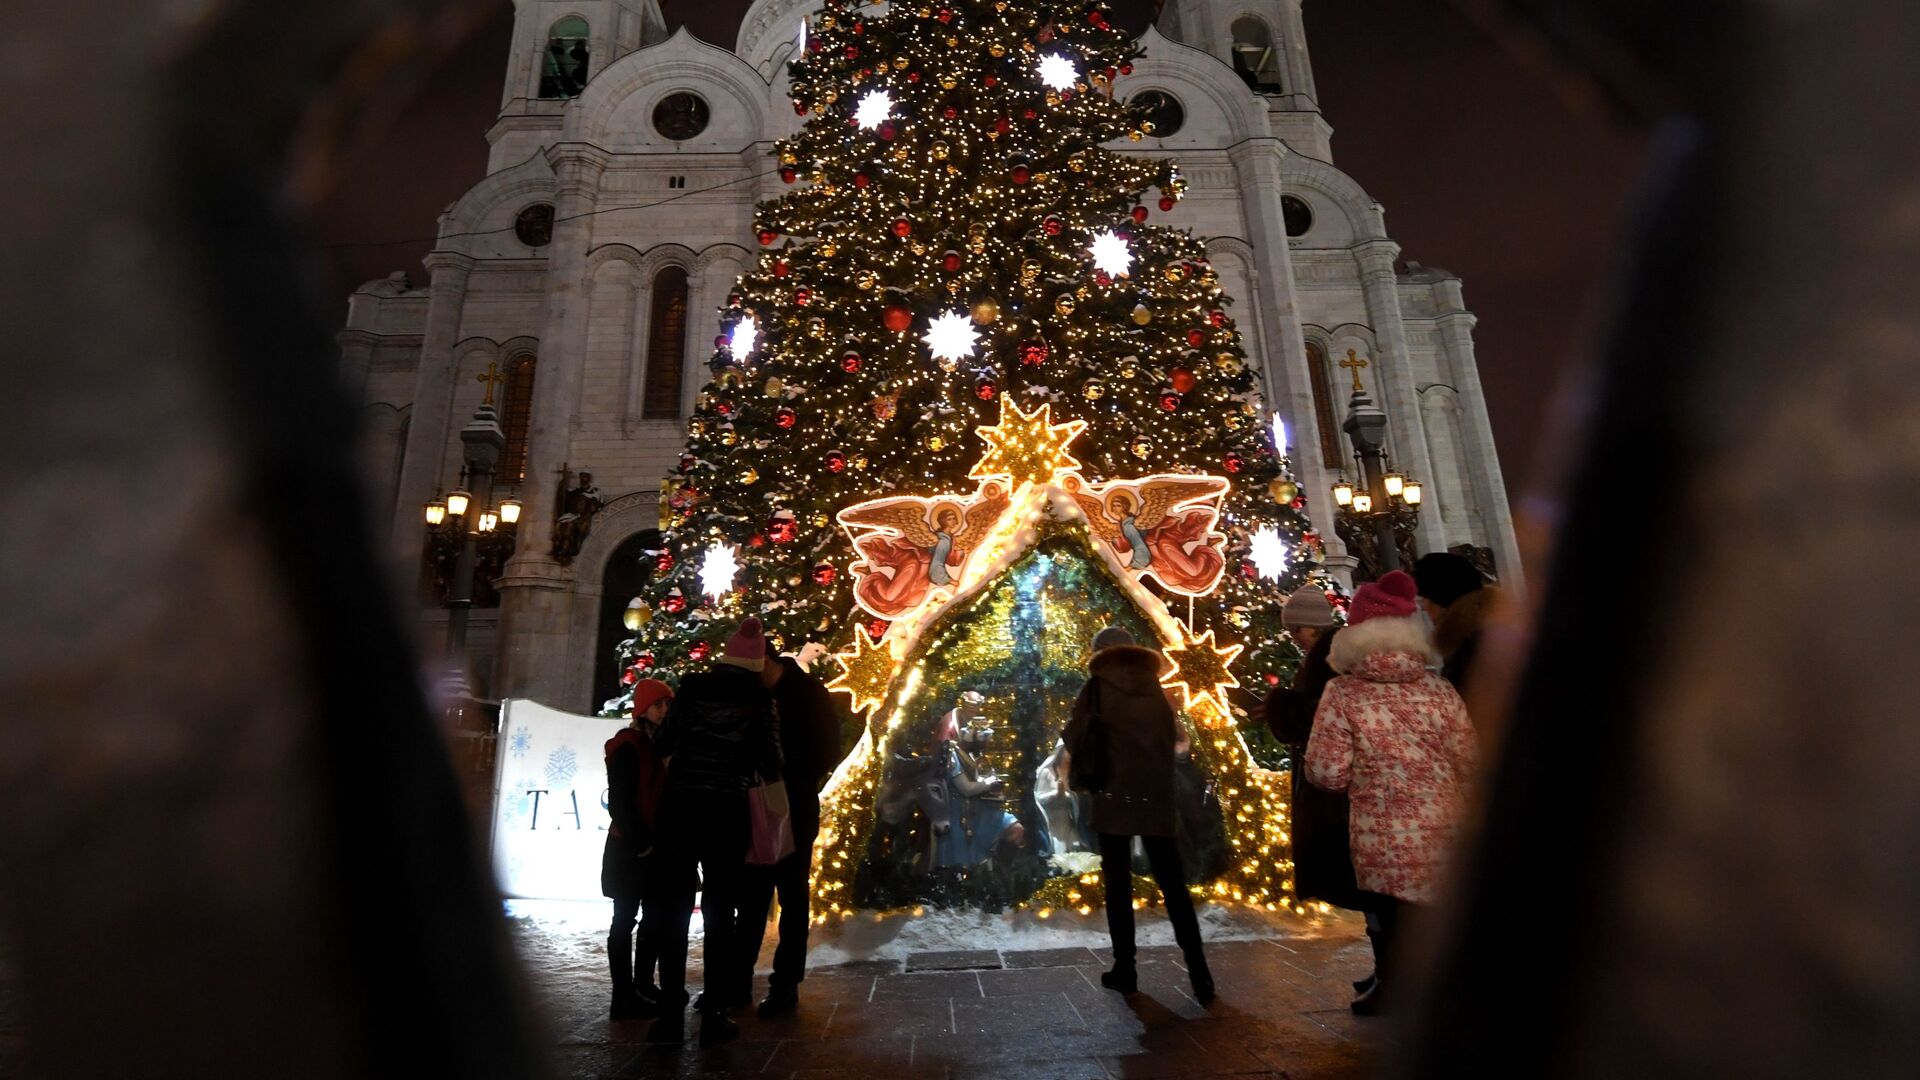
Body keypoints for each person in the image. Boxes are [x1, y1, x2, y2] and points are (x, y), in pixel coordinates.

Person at [1305, 571, 1475, 1015]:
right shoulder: (1440, 689)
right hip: (1445, 828)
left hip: (1381, 834)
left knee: (1388, 917)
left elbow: (1326, 773)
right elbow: (1470, 762)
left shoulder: (1342, 693)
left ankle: (1394, 988)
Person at [646, 619, 782, 1048]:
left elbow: (664, 743)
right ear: (757, 661)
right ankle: (714, 1016)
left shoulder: (690, 689)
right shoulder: (760, 700)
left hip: (681, 807)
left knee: (672, 909)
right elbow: (771, 763)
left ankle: (669, 1015)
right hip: (727, 811)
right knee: (722, 914)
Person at [1064, 626, 1214, 1004]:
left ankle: (1125, 968)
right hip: (1156, 796)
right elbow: (1169, 738)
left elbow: (1074, 735)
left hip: (1113, 796)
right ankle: (1199, 972)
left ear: (1099, 654)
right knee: (1173, 883)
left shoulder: (1096, 689)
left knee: (1117, 885)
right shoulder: (1156, 690)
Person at [1259, 587, 1376, 992]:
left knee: (1366, 882)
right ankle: (1386, 966)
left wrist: (1279, 705)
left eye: (1298, 627)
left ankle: (1391, 969)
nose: (1294, 635)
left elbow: (1319, 716)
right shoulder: (1328, 654)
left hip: (1340, 792)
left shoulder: (1329, 659)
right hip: (1350, 790)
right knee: (1370, 884)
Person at [734, 649, 844, 1018]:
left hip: (794, 806)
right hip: (757, 805)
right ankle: (737, 980)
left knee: (792, 895)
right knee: (751, 895)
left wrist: (791, 775)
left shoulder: (809, 693)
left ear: (765, 661)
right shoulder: (754, 694)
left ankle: (785, 985)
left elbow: (828, 746)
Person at [603, 678, 673, 1021]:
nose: (665, 711)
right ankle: (623, 994)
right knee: (625, 920)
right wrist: (641, 843)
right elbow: (620, 801)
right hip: (630, 851)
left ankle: (643, 984)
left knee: (653, 918)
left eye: (667, 705)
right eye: (660, 705)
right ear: (643, 709)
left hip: (649, 849)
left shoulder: (654, 747)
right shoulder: (629, 747)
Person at [1411, 551, 1496, 693]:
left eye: (1425, 598)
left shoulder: (1471, 652)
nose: (1424, 607)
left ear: (1441, 599)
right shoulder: (1481, 634)